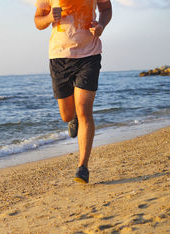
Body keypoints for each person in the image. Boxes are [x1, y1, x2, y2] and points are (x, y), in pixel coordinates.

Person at [34, 0, 112, 184]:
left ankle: (83, 167)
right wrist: (48, 17)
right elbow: (38, 21)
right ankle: (73, 118)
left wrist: (101, 25)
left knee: (84, 109)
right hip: (59, 57)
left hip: (89, 55)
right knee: (67, 115)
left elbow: (106, 8)